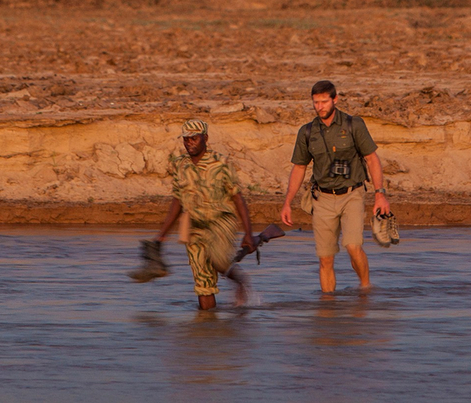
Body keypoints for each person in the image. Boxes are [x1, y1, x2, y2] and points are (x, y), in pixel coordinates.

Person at [280, 80, 391, 292]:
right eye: (316, 102)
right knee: (325, 259)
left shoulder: (353, 125)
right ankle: (328, 308)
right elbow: (299, 168)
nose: (320, 106)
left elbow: (372, 159)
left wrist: (380, 194)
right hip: (322, 199)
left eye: (324, 101)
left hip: (352, 194)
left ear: (335, 100)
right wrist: (287, 202)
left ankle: (365, 288)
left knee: (352, 246)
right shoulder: (307, 131)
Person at [152, 118, 256, 309]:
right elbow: (177, 200)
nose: (189, 142)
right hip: (193, 225)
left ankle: (240, 280)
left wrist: (248, 234)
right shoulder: (179, 165)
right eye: (186, 139)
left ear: (205, 138)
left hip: (220, 221)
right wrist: (162, 233)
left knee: (218, 260)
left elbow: (237, 198)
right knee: (202, 281)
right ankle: (207, 328)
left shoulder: (221, 163)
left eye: (194, 138)